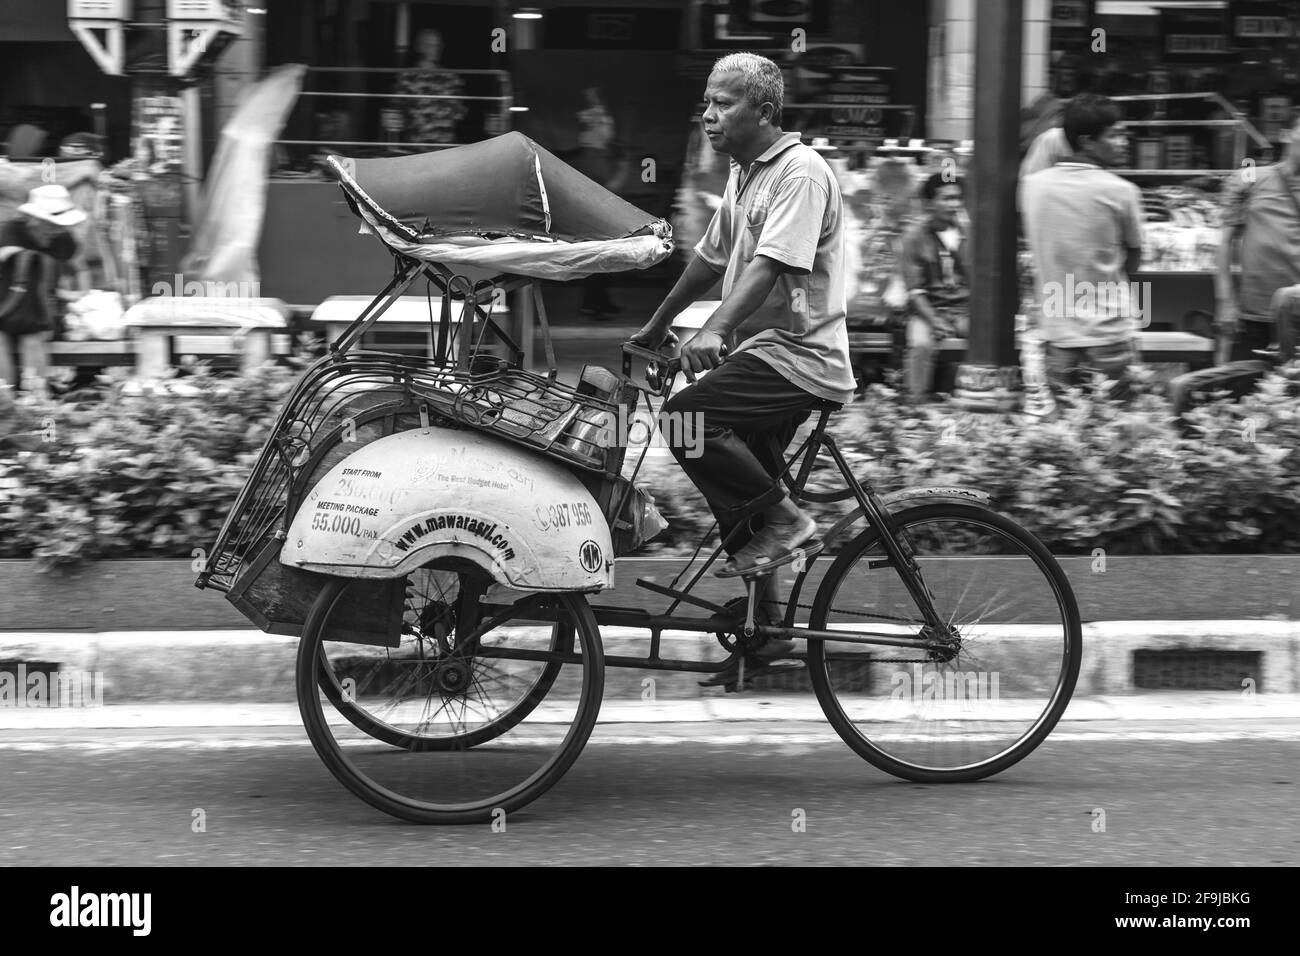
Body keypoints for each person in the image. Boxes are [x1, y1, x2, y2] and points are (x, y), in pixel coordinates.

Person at [630, 52, 856, 687]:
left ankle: (788, 520)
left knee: (686, 422)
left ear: (764, 111)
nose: (708, 115)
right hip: (765, 355)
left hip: (800, 355)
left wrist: (715, 330)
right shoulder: (744, 172)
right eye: (706, 102)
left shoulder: (799, 173)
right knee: (738, 498)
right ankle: (768, 634)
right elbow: (711, 257)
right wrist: (658, 324)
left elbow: (773, 265)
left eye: (723, 103)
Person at [1020, 93, 1144, 400]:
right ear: (1087, 141)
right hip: (1110, 333)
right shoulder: (1122, 191)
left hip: (1057, 333)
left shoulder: (1033, 187)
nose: (1124, 142)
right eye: (1115, 135)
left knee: (1064, 436)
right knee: (1117, 431)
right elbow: (1134, 258)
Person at [1215, 108, 1300, 365]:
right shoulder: (1250, 177)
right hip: (1253, 314)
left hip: (1298, 315)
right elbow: (1223, 245)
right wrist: (1225, 302)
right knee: (1240, 394)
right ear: (1286, 134)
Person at [0, 185, 85, 389]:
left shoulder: (62, 240)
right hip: (4, 301)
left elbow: (76, 266)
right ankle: (5, 405)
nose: (55, 231)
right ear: (34, 220)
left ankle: (36, 406)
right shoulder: (9, 231)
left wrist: (74, 294)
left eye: (58, 226)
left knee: (33, 342)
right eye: (51, 225)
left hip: (36, 309)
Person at [900, 172, 969, 403]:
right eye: (947, 199)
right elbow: (914, 292)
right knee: (920, 345)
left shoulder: (971, 234)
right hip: (928, 310)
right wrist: (935, 320)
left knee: (985, 341)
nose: (955, 204)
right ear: (930, 203)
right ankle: (915, 405)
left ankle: (973, 401)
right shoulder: (914, 237)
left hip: (964, 310)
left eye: (957, 198)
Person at [572, 87, 624, 320]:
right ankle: (592, 304)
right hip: (593, 217)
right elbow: (608, 189)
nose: (609, 129)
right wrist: (624, 171)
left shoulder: (597, 154)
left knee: (603, 262)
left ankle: (601, 301)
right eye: (605, 125)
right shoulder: (591, 157)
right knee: (597, 262)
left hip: (599, 216)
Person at [390, 29, 468, 146]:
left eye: (437, 45)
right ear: (419, 47)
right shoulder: (407, 77)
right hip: (415, 146)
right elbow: (396, 111)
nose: (435, 49)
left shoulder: (451, 77)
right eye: (429, 45)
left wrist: (442, 116)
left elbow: (460, 112)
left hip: (444, 145)